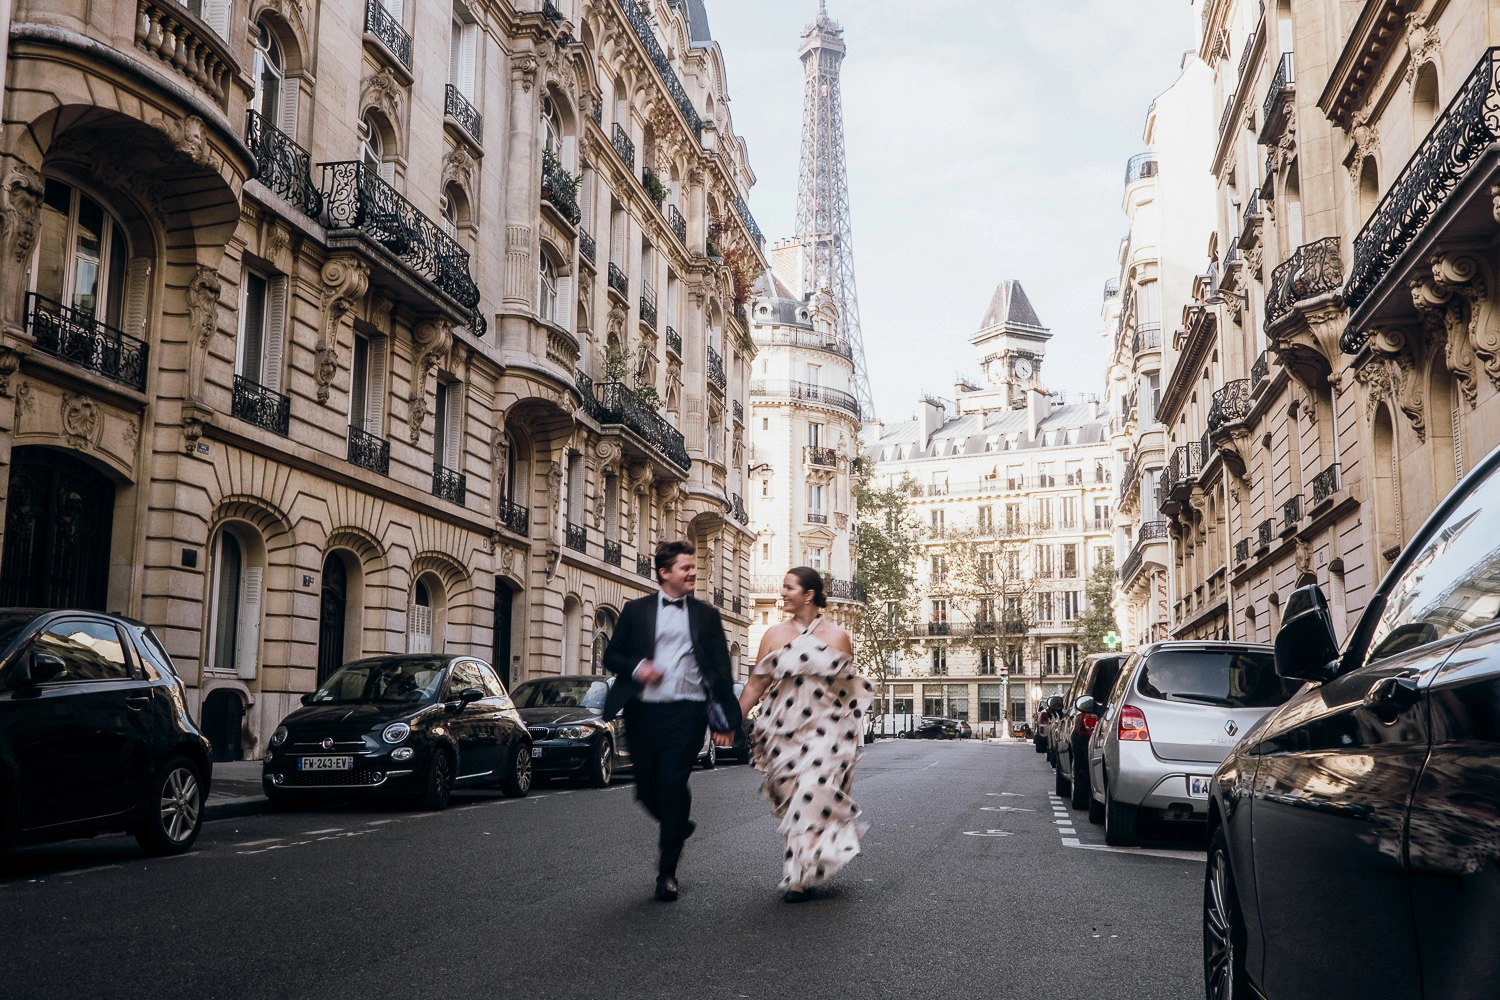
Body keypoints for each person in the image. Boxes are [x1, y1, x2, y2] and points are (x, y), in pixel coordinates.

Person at [601, 539, 742, 902]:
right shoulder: (637, 610)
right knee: (646, 789)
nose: (693, 572)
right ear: (665, 573)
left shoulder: (707, 615)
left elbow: (721, 670)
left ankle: (667, 873)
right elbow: (612, 655)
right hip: (644, 710)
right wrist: (637, 667)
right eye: (685, 567)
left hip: (688, 711)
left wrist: (726, 721)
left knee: (673, 783)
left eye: (694, 567)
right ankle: (678, 824)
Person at [730, 566, 870, 903]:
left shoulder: (836, 637)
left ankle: (798, 878)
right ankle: (814, 859)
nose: (783, 593)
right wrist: (731, 719)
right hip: (781, 731)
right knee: (794, 799)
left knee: (812, 793)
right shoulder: (773, 636)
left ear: (808, 594)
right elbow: (757, 683)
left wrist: (852, 737)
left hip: (828, 730)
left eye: (789, 587)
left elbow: (848, 692)